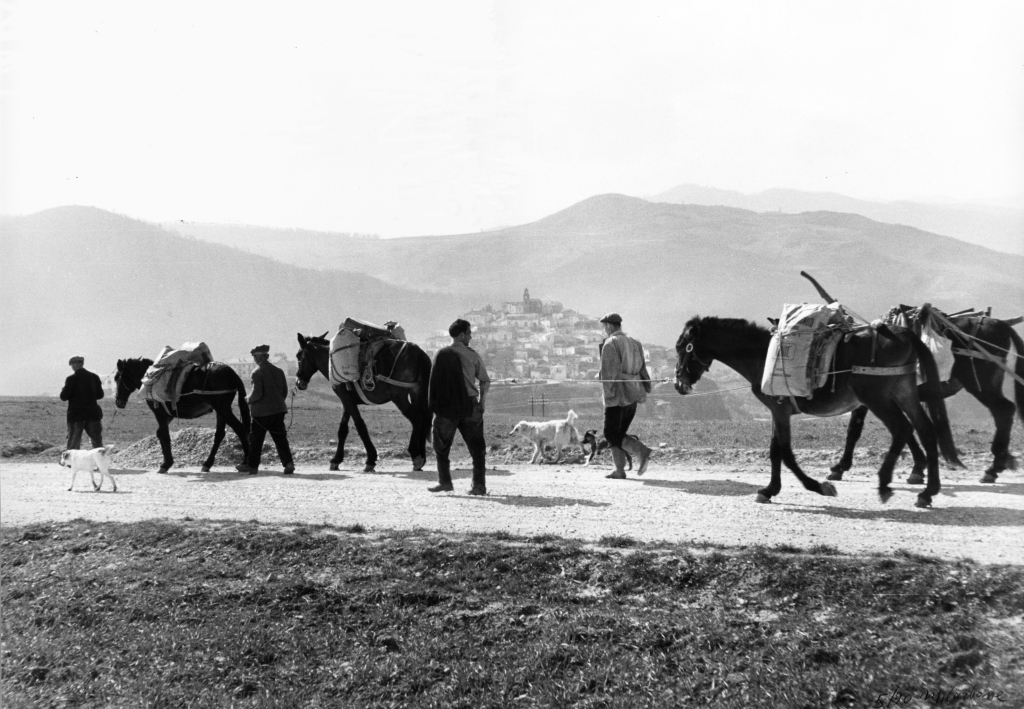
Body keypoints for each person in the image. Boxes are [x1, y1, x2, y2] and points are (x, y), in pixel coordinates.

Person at [427, 319, 491, 495]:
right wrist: (482, 404)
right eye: (469, 333)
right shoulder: (472, 355)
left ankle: (445, 482)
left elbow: (434, 384)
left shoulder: (440, 354)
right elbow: (485, 380)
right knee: (477, 449)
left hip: (446, 408)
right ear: (462, 335)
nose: (470, 336)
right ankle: (479, 486)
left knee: (441, 447)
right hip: (470, 406)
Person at [598, 313, 653, 478]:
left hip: (618, 396)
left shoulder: (610, 344)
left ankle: (641, 451)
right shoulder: (635, 343)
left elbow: (609, 375)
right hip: (633, 394)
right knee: (618, 433)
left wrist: (608, 396)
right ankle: (619, 470)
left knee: (610, 433)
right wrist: (646, 387)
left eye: (604, 327)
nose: (604, 330)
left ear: (608, 326)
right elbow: (642, 369)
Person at [236, 345, 294, 475]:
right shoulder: (279, 371)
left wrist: (247, 399)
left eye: (254, 357)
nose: (254, 359)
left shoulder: (257, 372)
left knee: (255, 440)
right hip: (278, 411)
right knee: (281, 439)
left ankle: (252, 467)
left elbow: (257, 393)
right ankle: (288, 464)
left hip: (261, 414)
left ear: (258, 357)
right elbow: (284, 392)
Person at [60, 355, 105, 450]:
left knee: (73, 442)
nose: (72, 367)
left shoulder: (71, 379)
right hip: (93, 414)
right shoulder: (94, 377)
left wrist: (64, 389)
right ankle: (99, 462)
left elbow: (64, 397)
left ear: (75, 365)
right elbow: (100, 395)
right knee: (97, 441)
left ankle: (71, 463)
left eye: (72, 364)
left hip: (76, 415)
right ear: (82, 364)